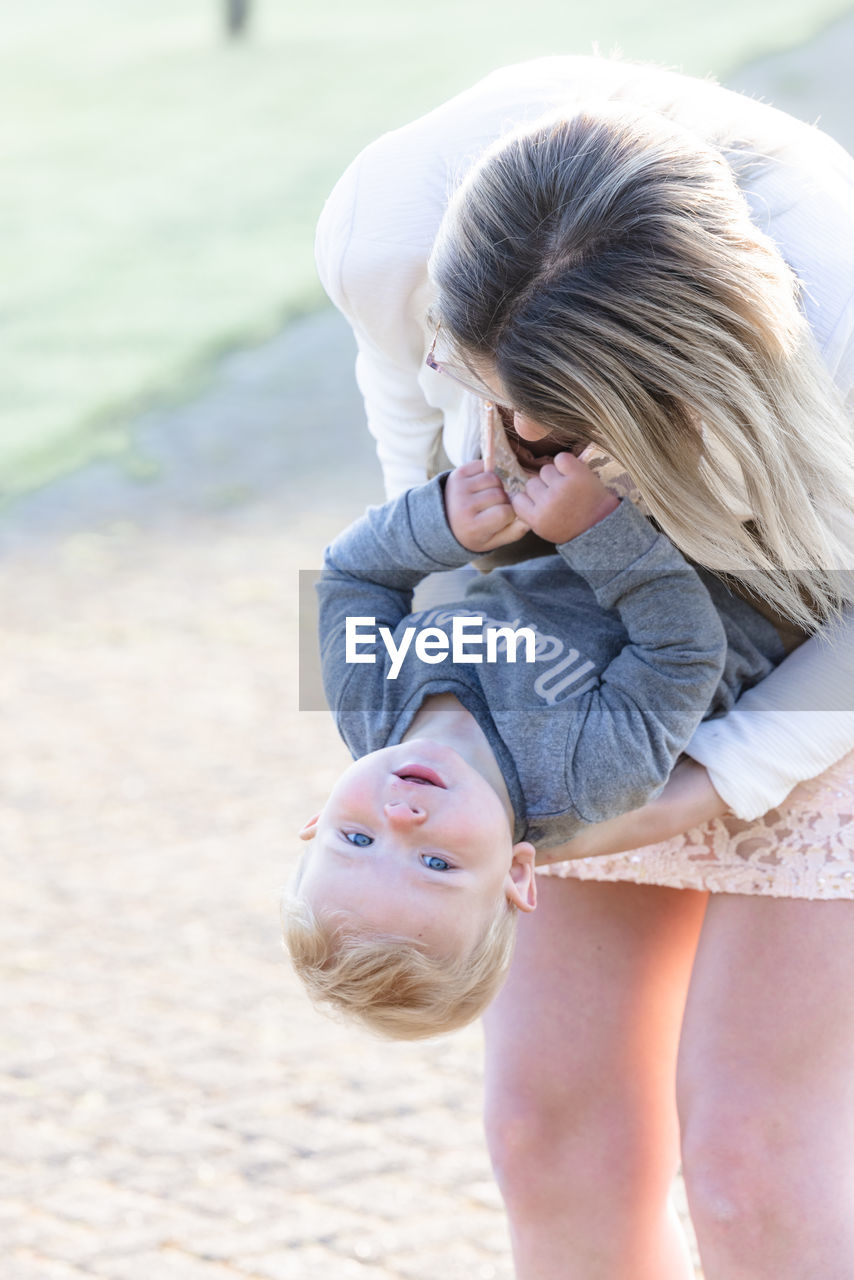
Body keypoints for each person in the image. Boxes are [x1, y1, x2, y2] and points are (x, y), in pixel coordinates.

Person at [314, 55, 854, 1278]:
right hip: (599, 668)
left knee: (752, 1163)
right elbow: (387, 517)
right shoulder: (387, 230)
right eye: (505, 403)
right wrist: (450, 527)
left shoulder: (842, 308)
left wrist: (696, 779)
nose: (392, 817)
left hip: (810, 635)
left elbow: (682, 652)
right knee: (543, 1134)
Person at [285, 452, 785, 1038]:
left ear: (319, 820)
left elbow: (354, 577)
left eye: (358, 838)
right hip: (752, 563)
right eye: (436, 863)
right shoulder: (585, 776)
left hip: (609, 511)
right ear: (519, 873)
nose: (402, 817)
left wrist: (439, 523)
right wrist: (595, 530)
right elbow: (683, 653)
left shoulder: (365, 697)